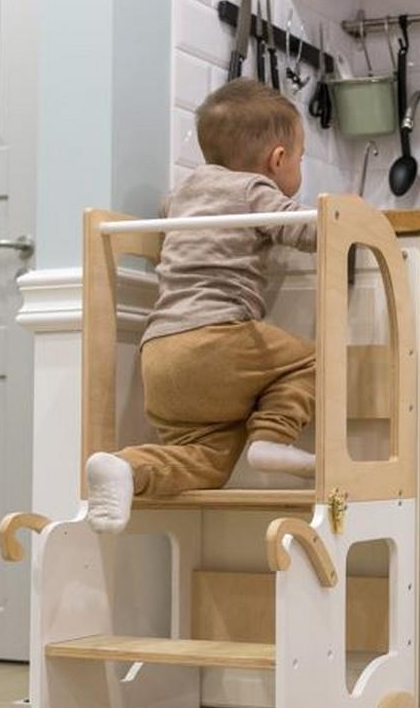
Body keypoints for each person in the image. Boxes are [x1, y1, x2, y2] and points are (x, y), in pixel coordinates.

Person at [85, 78, 318, 534]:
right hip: (216, 339)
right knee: (313, 360)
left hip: (159, 355)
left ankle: (126, 467)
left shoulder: (180, 196)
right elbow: (307, 231)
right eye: (301, 158)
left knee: (206, 461)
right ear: (278, 160)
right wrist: (347, 214)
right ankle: (272, 439)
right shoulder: (253, 189)